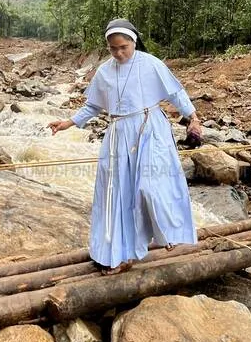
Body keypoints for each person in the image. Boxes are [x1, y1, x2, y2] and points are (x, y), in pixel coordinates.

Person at [48, 18, 202, 275]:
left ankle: (168, 232)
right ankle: (120, 254)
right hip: (118, 135)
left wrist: (193, 118)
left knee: (152, 186)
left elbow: (175, 93)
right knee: (116, 195)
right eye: (113, 48)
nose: (119, 53)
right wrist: (68, 123)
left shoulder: (151, 64)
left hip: (150, 129)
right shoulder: (104, 72)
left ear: (133, 41)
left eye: (124, 47)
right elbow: (93, 106)